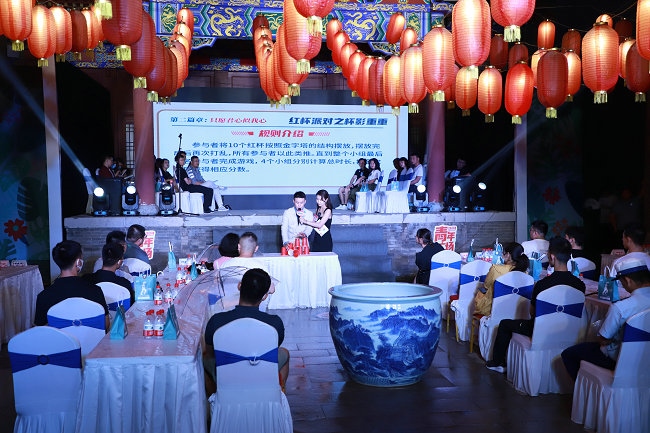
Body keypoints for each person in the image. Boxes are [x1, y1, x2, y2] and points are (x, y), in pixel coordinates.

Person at [486, 237, 586, 373]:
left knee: (504, 324)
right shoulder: (580, 285)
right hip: (568, 330)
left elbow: (533, 312)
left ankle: (498, 363)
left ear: (552, 256)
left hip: (540, 331)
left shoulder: (543, 284)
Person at [561, 257, 650, 381]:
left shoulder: (621, 307)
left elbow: (604, 339)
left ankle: (587, 390)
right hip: (646, 359)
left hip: (620, 361)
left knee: (569, 354)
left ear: (627, 281)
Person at [204, 268, 290, 391]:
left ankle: (215, 395)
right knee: (284, 353)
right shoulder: (274, 323)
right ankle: (279, 391)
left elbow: (211, 353)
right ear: (265, 296)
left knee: (204, 358)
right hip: (260, 371)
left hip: (229, 374)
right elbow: (273, 349)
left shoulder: (216, 321)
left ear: (239, 286)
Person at [34, 240, 110, 331]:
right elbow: (105, 324)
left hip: (59, 340)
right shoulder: (95, 290)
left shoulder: (44, 296)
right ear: (78, 262)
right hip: (92, 340)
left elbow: (40, 330)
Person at [474, 242, 530, 316]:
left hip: (492, 310)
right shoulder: (525, 273)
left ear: (508, 255)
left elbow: (486, 287)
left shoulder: (496, 269)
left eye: (503, 253)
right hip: (516, 311)